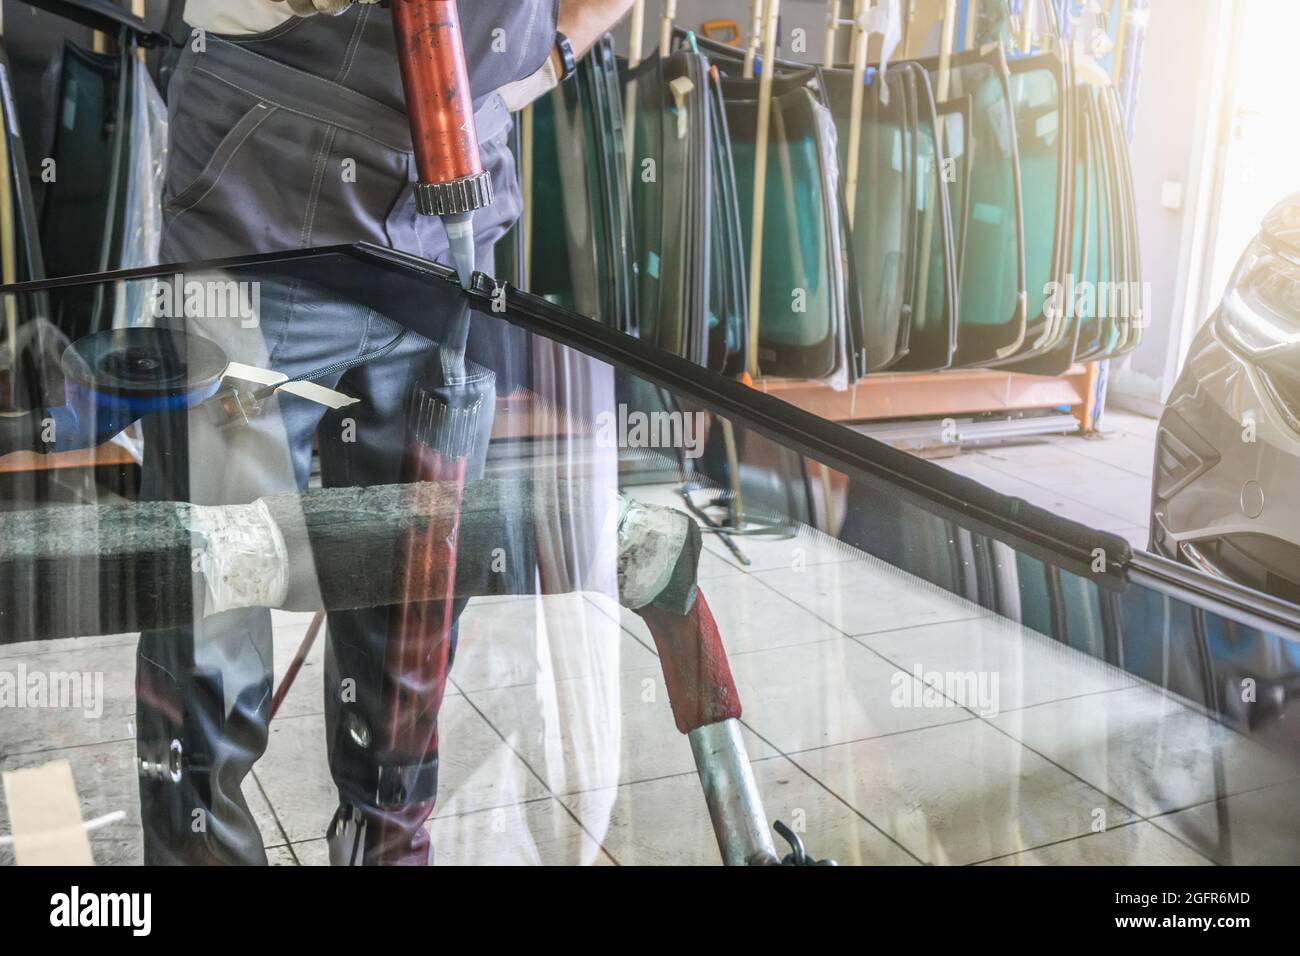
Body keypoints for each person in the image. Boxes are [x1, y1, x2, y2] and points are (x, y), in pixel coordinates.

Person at [137, 0, 636, 865]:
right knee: (212, 611)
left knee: (412, 612)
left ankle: (389, 847)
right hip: (266, 190)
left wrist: (536, 66)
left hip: (452, 217)